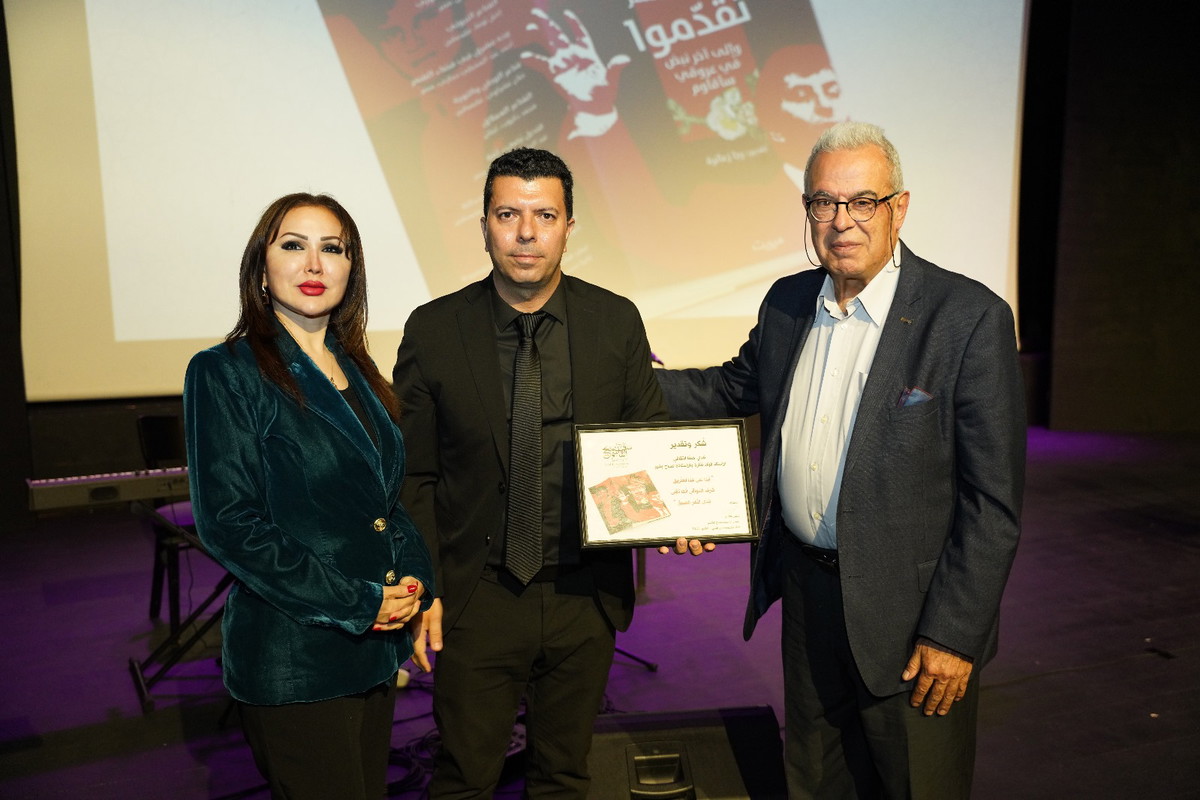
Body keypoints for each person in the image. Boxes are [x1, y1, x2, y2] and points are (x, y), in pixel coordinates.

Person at [656, 121, 1026, 798]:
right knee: (815, 780)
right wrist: (620, 375)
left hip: (912, 622)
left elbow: (992, 504)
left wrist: (953, 635)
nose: (842, 220)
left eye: (863, 201)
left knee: (915, 784)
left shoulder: (967, 318)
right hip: (807, 595)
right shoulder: (788, 302)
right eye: (824, 202)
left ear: (899, 208)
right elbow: (728, 388)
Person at [392, 147, 672, 798]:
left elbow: (648, 441)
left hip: (584, 596)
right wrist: (425, 584)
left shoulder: (614, 320)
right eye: (507, 215)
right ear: (484, 225)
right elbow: (414, 476)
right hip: (477, 596)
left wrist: (682, 513)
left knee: (564, 778)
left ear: (569, 226)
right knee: (465, 779)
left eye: (544, 215)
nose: (526, 233)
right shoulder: (434, 330)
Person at [184, 193, 435, 800]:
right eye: (294, 245)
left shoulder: (357, 368)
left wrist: (415, 584)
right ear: (261, 267)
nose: (314, 264)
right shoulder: (225, 370)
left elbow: (384, 504)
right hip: (296, 661)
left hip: (373, 653)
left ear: (352, 269)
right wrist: (359, 603)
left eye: (333, 249)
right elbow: (230, 524)